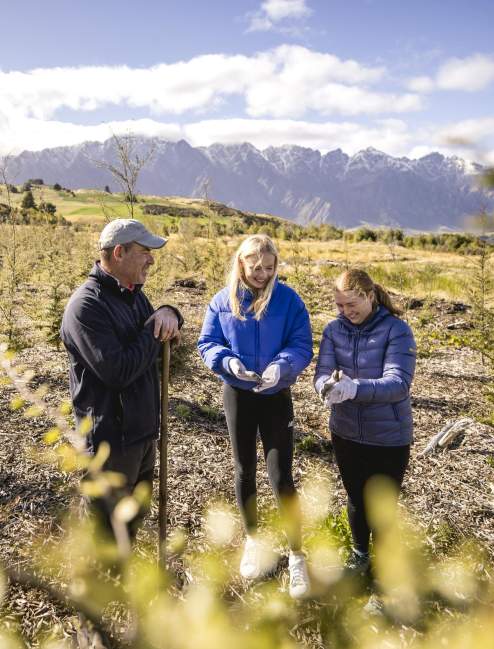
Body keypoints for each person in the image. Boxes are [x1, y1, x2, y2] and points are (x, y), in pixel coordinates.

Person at [197, 234, 313, 599]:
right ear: (241, 264)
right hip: (238, 395)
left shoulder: (289, 300)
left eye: (269, 267)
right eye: (255, 267)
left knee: (281, 477)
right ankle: (253, 540)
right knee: (244, 469)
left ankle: (297, 556)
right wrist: (227, 361)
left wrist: (282, 367)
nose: (262, 274)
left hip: (275, 395)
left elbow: (301, 343)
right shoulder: (222, 300)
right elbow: (207, 343)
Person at [60, 218, 183, 538]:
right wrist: (154, 330)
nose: (152, 259)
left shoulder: (133, 296)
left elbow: (158, 328)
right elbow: (119, 371)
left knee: (131, 525)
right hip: (110, 445)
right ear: (118, 252)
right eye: (145, 251)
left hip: (142, 436)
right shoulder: (86, 307)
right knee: (106, 535)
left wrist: (170, 312)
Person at [314, 269, 416, 579]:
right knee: (356, 498)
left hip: (388, 436)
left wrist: (355, 388)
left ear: (369, 297)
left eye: (351, 304)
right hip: (346, 432)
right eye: (340, 305)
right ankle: (360, 556)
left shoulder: (396, 330)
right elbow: (322, 372)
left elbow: (398, 383)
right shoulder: (334, 330)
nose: (345, 312)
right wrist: (326, 388)